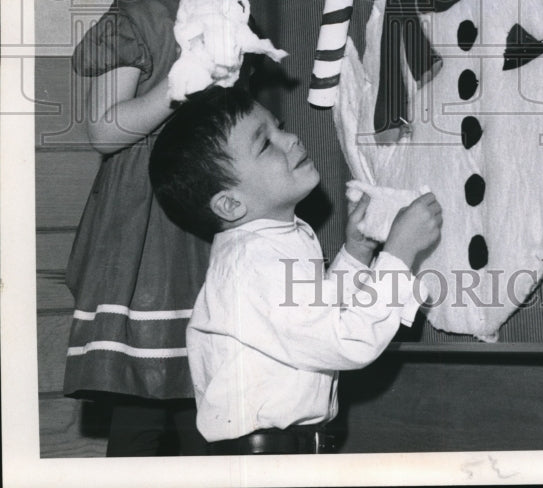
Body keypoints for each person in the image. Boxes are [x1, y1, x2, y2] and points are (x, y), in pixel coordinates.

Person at [65, 0, 243, 456]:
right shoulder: (134, 13)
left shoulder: (224, 5)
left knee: (211, 399)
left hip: (207, 212)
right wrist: (174, 88)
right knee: (145, 412)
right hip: (146, 226)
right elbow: (103, 131)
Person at [149, 85, 443, 455]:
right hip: (263, 461)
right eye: (265, 143)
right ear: (230, 203)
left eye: (280, 126)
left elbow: (314, 319)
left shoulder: (272, 241)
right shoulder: (251, 264)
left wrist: (356, 254)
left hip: (286, 456)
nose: (290, 139)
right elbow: (347, 341)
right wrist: (398, 254)